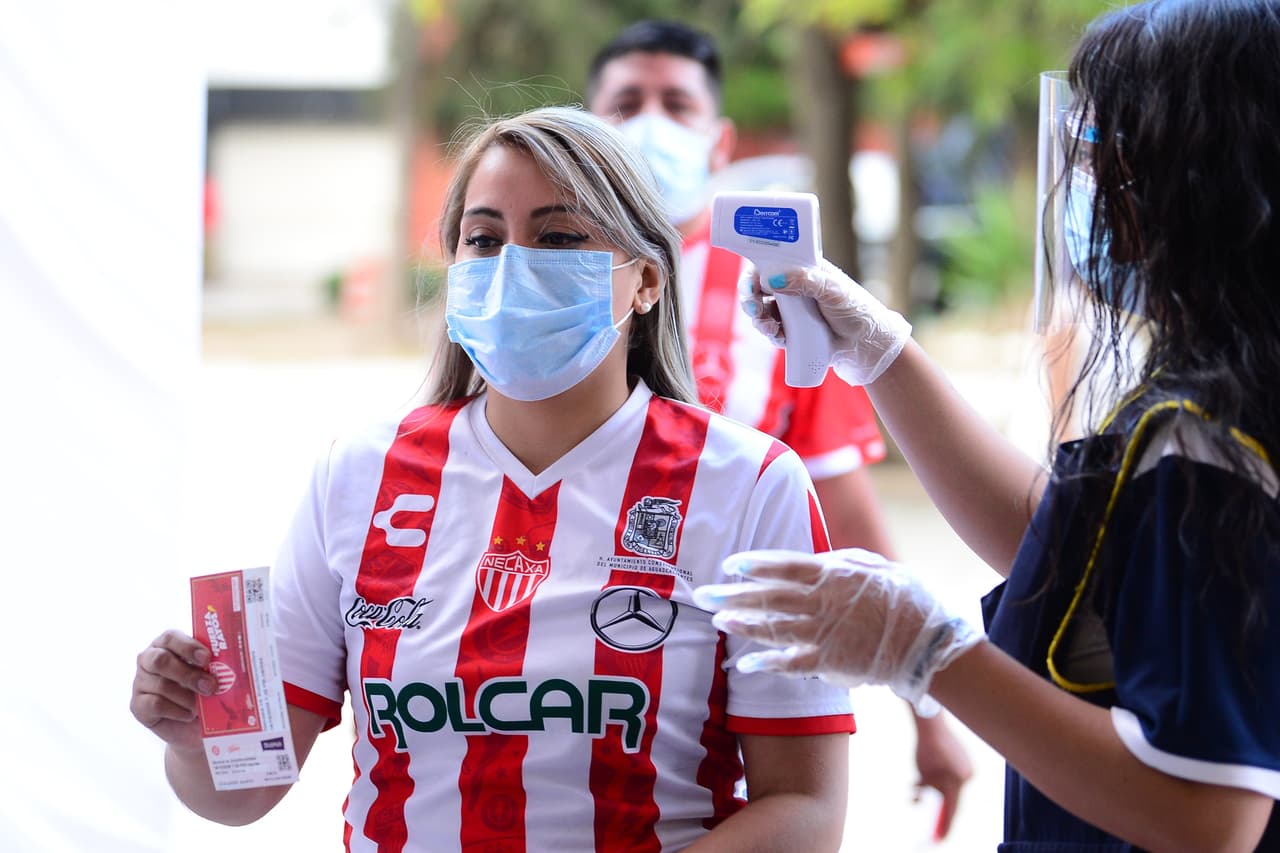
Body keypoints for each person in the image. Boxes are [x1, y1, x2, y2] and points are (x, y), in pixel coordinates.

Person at [130, 105, 855, 852]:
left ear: (647, 280)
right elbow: (240, 790)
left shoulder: (751, 485)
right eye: (484, 238)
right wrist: (191, 736)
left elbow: (804, 807)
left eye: (560, 236)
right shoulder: (357, 476)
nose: (514, 264)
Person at [694, 1, 1280, 849]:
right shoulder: (1228, 398)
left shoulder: (1209, 443)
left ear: (1201, 178)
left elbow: (1207, 816)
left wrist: (930, 653)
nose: (1093, 189)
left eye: (1112, 154)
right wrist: (882, 351)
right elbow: (1071, 559)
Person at [586, 18, 974, 837]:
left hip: (726, 673)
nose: (651, 123)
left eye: (675, 104)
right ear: (587, 130)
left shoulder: (781, 295)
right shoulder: (540, 285)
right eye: (625, 103)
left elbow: (843, 502)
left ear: (719, 139)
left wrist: (929, 713)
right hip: (564, 673)